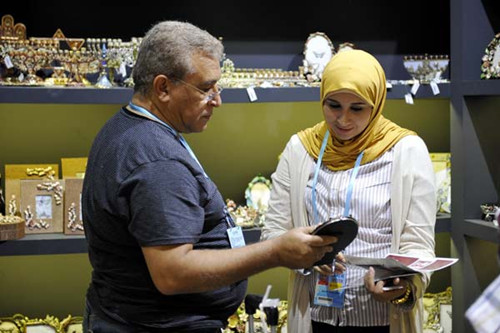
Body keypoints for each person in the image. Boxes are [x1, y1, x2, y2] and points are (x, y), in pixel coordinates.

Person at [81, 20, 336, 333]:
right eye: (205, 88)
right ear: (162, 88)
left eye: (218, 87)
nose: (217, 100)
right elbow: (173, 273)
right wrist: (276, 252)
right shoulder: (157, 160)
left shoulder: (128, 127)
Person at [261, 49, 436, 333]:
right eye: (333, 105)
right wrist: (307, 258)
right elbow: (274, 233)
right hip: (315, 316)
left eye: (357, 108)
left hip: (380, 317)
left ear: (376, 103)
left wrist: (401, 287)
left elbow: (419, 243)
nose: (343, 119)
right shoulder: (300, 149)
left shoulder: (406, 150)